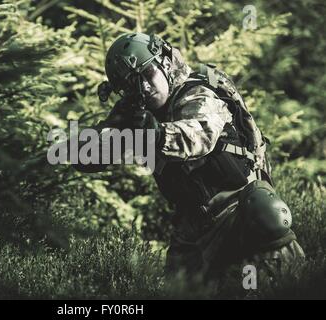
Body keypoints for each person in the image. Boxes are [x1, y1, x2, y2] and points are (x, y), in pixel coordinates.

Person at [72, 32, 305, 281]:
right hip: (194, 226)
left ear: (165, 62)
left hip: (239, 211)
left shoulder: (198, 93)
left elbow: (199, 135)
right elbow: (85, 158)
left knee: (266, 215)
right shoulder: (140, 116)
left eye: (148, 74)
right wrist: (109, 129)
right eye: (133, 84)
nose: (146, 87)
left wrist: (157, 134)